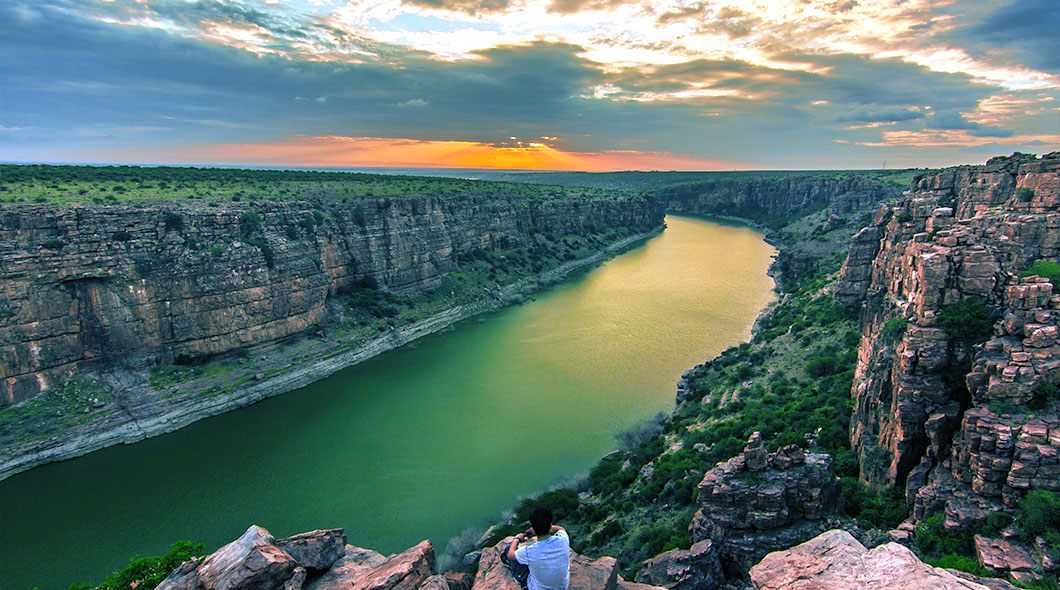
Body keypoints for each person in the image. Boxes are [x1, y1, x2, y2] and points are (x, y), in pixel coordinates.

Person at [500, 506, 570, 590]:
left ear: (533, 527)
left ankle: (522, 583)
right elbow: (561, 529)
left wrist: (517, 539)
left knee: (508, 550)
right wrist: (543, 527)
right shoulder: (563, 539)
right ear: (550, 525)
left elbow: (510, 555)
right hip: (562, 587)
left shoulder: (529, 551)